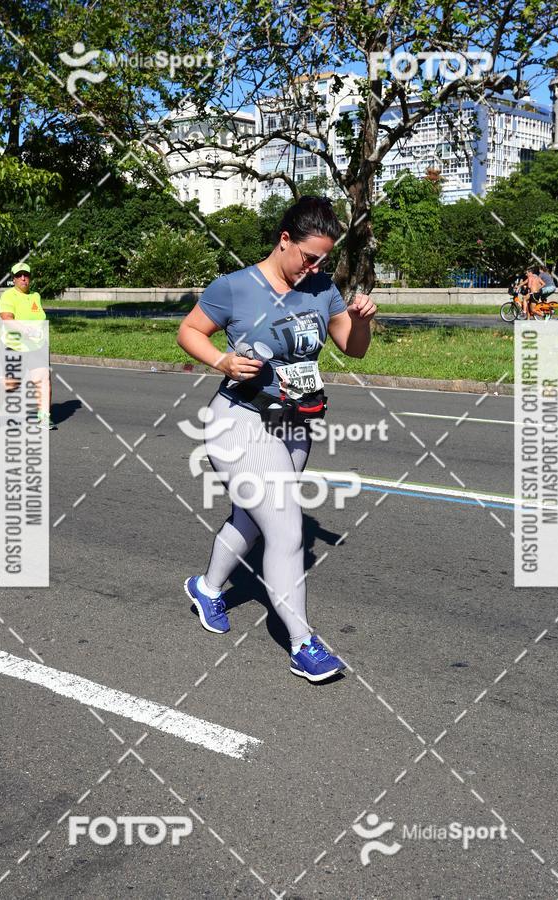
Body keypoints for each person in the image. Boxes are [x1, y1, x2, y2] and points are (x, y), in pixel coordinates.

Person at [177, 196, 376, 683]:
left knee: (253, 518)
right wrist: (222, 361)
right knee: (286, 529)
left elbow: (353, 348)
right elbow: (189, 331)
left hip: (293, 424)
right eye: (308, 257)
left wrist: (362, 321)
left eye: (323, 260)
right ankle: (303, 644)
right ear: (284, 240)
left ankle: (207, 588)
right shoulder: (235, 287)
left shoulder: (322, 288)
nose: (315, 268)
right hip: (239, 421)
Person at [0, 262, 55, 428]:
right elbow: (6, 318)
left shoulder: (36, 296)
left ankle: (44, 416)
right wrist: (26, 330)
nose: (23, 278)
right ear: (14, 279)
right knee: (11, 383)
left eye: (26, 275)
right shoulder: (8, 296)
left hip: (36, 346)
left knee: (43, 379)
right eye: (19, 275)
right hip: (13, 345)